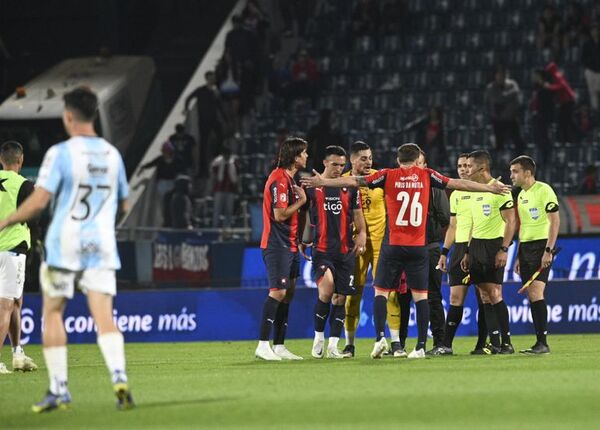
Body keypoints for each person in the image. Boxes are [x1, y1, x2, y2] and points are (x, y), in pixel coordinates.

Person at [301, 143, 511, 359]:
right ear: (417, 158)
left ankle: (380, 338)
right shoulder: (427, 175)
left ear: (398, 159)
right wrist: (489, 188)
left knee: (380, 292)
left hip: (392, 244)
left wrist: (323, 182)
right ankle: (420, 346)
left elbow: (355, 180)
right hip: (418, 246)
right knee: (421, 297)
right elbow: (458, 183)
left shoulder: (387, 175)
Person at [0, 87, 134, 412]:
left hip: (65, 244)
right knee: (104, 314)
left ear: (69, 116)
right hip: (100, 244)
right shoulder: (112, 155)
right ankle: (119, 377)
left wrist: (7, 221)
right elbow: (125, 205)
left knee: (53, 311)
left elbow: (39, 201)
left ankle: (59, 389)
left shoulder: (60, 153)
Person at [300, 146, 366, 359]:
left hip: (345, 251)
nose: (339, 169)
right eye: (335, 164)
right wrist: (304, 239)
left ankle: (333, 346)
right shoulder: (312, 187)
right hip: (322, 250)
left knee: (340, 297)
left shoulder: (350, 188)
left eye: (342, 165)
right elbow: (307, 216)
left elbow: (357, 215)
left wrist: (362, 234)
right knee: (327, 290)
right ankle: (318, 337)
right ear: (325, 163)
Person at [255, 137, 308, 361]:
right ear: (295, 157)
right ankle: (262, 344)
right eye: (304, 153)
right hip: (277, 245)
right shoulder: (279, 179)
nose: (306, 156)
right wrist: (301, 201)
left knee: (288, 295)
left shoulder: (289, 179)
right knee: (277, 292)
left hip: (291, 244)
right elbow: (279, 215)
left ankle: (279, 345)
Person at [460, 150, 517, 355]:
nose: (466, 170)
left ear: (482, 168)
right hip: (475, 245)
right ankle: (494, 343)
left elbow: (511, 221)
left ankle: (507, 343)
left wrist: (504, 249)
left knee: (494, 293)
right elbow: (474, 224)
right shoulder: (476, 190)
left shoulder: (499, 189)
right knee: (484, 295)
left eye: (470, 166)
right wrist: (467, 251)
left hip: (493, 245)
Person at [432, 154, 488, 355]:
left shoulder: (483, 191)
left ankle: (482, 344)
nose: (463, 169)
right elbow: (453, 226)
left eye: (467, 165)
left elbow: (478, 224)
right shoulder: (455, 193)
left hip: (479, 248)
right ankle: (446, 345)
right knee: (455, 298)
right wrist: (444, 252)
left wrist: (469, 250)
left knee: (484, 297)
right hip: (458, 249)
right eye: (460, 166)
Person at [510, 156, 560, 354]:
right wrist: (518, 256)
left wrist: (548, 250)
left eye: (515, 171)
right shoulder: (521, 195)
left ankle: (543, 343)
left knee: (536, 292)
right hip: (526, 248)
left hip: (542, 247)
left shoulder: (544, 190)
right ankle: (540, 342)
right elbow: (524, 227)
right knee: (531, 295)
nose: (511, 175)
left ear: (527, 173)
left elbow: (555, 221)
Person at [342, 142, 386, 358]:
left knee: (388, 293)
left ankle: (393, 342)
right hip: (355, 246)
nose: (369, 162)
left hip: (380, 244)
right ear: (352, 160)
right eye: (363, 158)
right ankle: (349, 345)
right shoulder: (344, 182)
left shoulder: (381, 179)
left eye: (370, 158)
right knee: (353, 296)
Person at [0, 140, 38, 374]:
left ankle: (17, 353)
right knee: (6, 306)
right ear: (21, 160)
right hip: (12, 249)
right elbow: (33, 217)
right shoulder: (24, 185)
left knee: (16, 302)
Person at [184, 71, 226, 174]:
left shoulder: (215, 91)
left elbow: (219, 105)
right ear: (207, 79)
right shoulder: (201, 90)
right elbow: (189, 97)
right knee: (203, 143)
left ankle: (216, 154)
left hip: (213, 119)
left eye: (214, 78)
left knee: (221, 135)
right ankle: (202, 168)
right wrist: (186, 108)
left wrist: (225, 118)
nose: (213, 80)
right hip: (203, 120)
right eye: (211, 78)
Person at [484, 66, 525, 154]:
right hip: (498, 119)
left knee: (519, 143)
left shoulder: (512, 84)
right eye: (499, 75)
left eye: (503, 75)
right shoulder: (491, 87)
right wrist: (510, 96)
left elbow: (517, 97)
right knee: (499, 144)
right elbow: (497, 99)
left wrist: (505, 98)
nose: (501, 77)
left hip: (511, 118)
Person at [544, 62, 580, 145]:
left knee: (566, 121)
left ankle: (577, 136)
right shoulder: (556, 75)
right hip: (565, 101)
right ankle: (567, 139)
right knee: (565, 121)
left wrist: (550, 87)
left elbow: (561, 86)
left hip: (568, 101)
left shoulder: (557, 75)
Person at [209, 147, 239, 228]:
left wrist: (237, 187)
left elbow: (236, 176)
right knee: (217, 209)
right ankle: (215, 226)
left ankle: (227, 227)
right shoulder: (217, 163)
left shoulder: (234, 163)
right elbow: (214, 176)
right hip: (219, 189)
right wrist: (211, 188)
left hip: (230, 189)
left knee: (228, 210)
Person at [582, 25, 600, 114]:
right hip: (590, 70)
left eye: (596, 30)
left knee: (597, 90)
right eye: (593, 30)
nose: (595, 32)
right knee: (592, 92)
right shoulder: (587, 44)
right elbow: (583, 59)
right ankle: (595, 111)